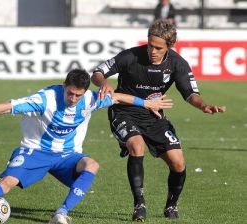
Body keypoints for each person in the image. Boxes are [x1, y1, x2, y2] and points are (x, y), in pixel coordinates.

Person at [0, 68, 173, 224]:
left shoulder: (89, 99)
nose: (73, 99)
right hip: (35, 151)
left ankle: (61, 213)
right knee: (7, 183)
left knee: (92, 164)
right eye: (70, 93)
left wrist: (147, 103)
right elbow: (9, 106)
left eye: (78, 95)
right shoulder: (45, 98)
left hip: (67, 156)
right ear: (64, 86)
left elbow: (120, 97)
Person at [91, 19, 226, 221]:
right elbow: (98, 72)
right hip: (124, 111)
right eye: (149, 45)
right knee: (137, 146)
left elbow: (190, 93)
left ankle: (171, 206)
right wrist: (104, 84)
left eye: (158, 47)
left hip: (154, 115)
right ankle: (139, 204)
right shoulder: (130, 56)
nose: (152, 51)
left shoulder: (177, 63)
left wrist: (203, 106)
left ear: (169, 46)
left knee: (178, 162)